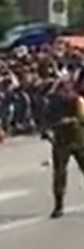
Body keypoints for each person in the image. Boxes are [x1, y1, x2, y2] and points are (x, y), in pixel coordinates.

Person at [44, 77, 84, 218]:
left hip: (77, 139)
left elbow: (82, 117)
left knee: (60, 174)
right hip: (64, 141)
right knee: (59, 174)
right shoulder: (54, 103)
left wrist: (72, 120)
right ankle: (58, 205)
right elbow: (45, 121)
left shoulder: (76, 100)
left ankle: (59, 206)